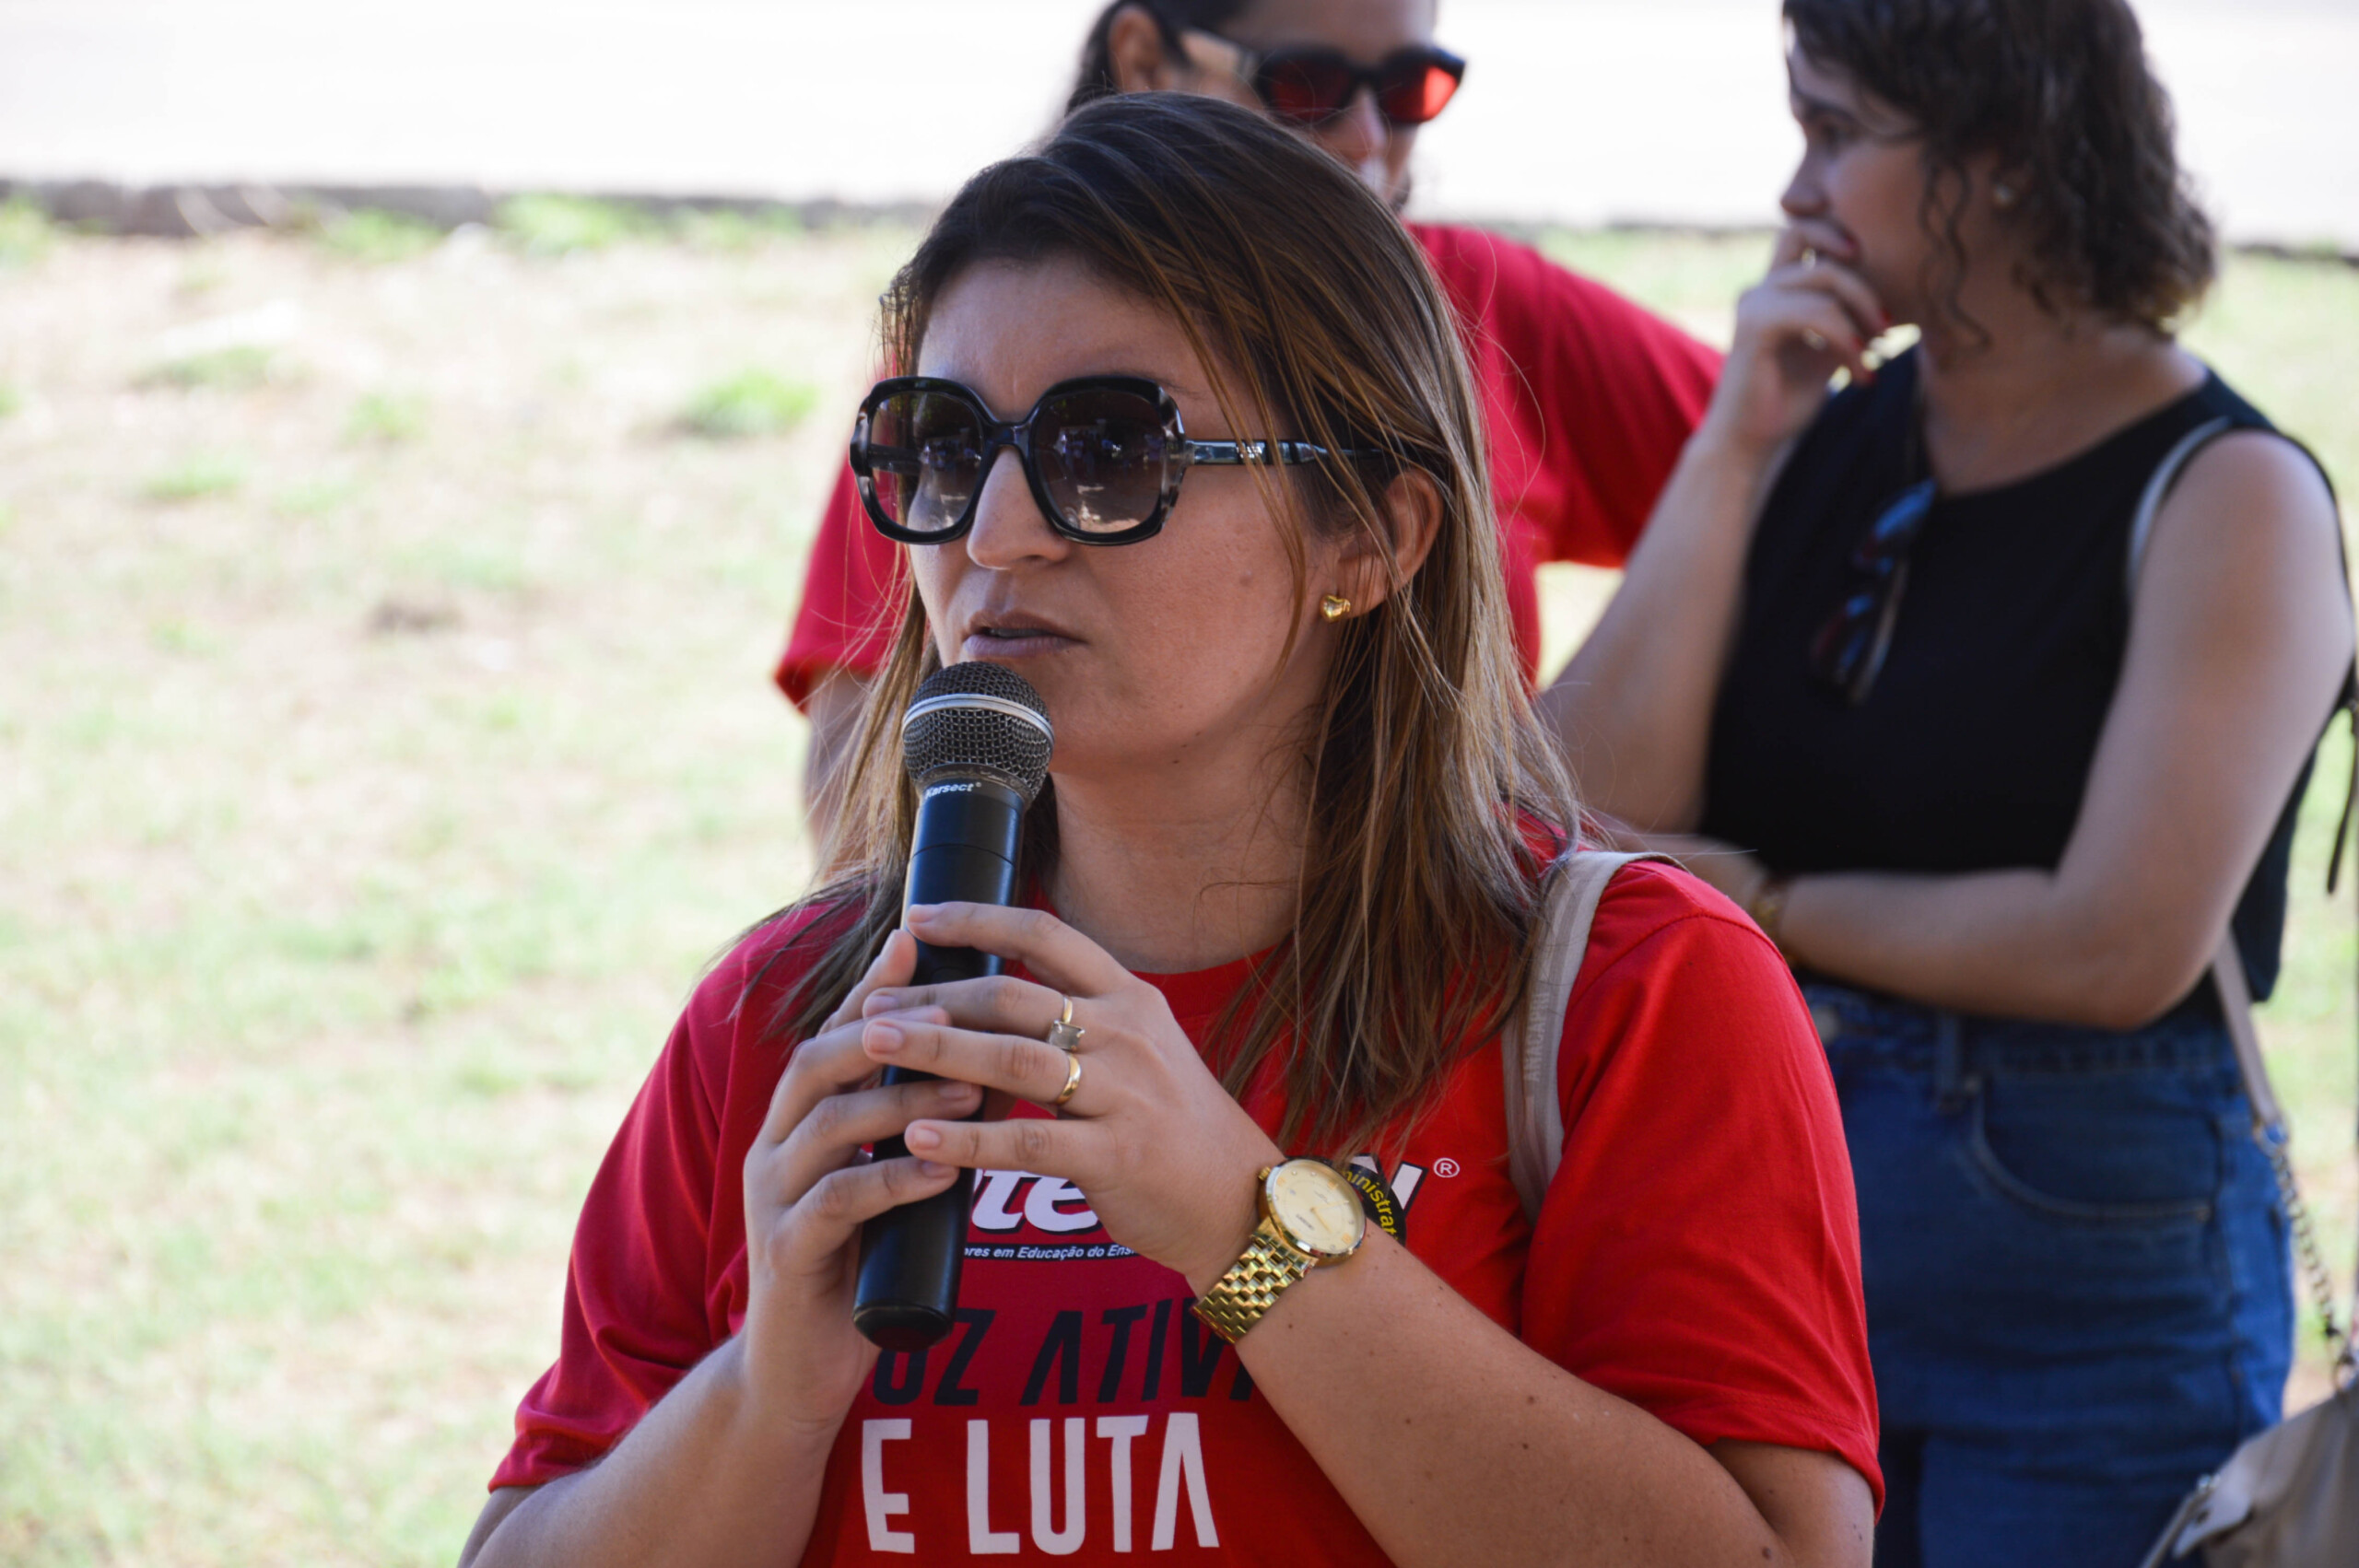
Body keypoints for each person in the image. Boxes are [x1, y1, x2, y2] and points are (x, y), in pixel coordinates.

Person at [462, 95, 1881, 1568]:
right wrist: (764, 1394)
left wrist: (1243, 1228)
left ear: (1369, 536)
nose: (996, 532)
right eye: (944, 445)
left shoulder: (1631, 991)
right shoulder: (787, 1015)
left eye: (1108, 449)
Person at [1553, 1, 2353, 1563]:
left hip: (2086, 1280)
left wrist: (1765, 901)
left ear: (2001, 155)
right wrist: (1734, 443)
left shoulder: (2229, 491)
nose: (1794, 190)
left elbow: (2119, 943)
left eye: (1836, 131)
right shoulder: (1830, 433)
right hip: (1773, 1211)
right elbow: (1576, 805)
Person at [782, 0, 1720, 833]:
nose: (1366, 135)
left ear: (1383, 538)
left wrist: (1557, 836)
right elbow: (855, 813)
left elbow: (1784, 501)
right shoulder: (991, 347)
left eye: (1409, 87)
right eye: (1307, 82)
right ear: (1145, 58)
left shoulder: (1483, 304)